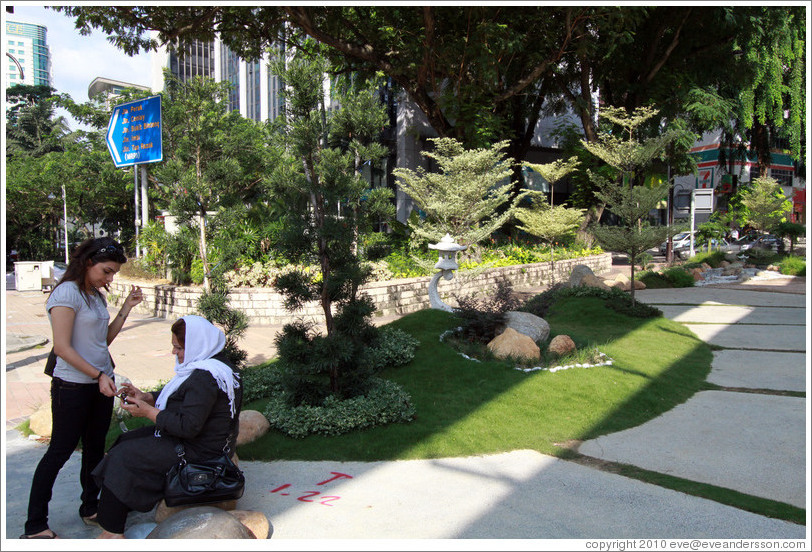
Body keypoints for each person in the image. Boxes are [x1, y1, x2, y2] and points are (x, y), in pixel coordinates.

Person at [21, 237, 143, 539]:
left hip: (98, 386)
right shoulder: (66, 293)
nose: (109, 278)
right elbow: (62, 347)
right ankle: (35, 524)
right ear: (88, 263)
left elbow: (102, 342)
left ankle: (90, 507)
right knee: (59, 452)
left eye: (113, 273)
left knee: (94, 449)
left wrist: (126, 308)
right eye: (106, 271)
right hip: (72, 388)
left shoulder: (95, 296)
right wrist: (98, 375)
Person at [92, 315, 243, 539]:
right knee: (126, 441)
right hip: (196, 441)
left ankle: (112, 532)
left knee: (124, 456)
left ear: (195, 345)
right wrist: (147, 397)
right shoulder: (212, 365)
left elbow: (187, 426)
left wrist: (148, 412)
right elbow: (184, 398)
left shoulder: (206, 376)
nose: (175, 353)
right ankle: (121, 503)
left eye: (178, 348)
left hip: (201, 451)